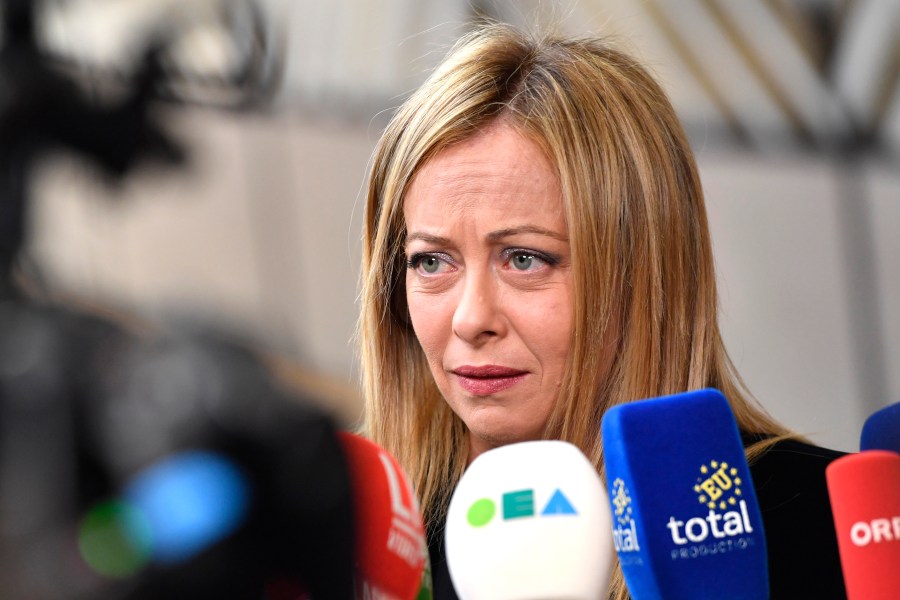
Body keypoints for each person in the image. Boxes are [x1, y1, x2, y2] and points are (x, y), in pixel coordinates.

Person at [358, 22, 846, 599]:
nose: (470, 319)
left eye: (524, 258)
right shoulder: (380, 548)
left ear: (641, 272)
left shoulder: (828, 527)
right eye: (432, 262)